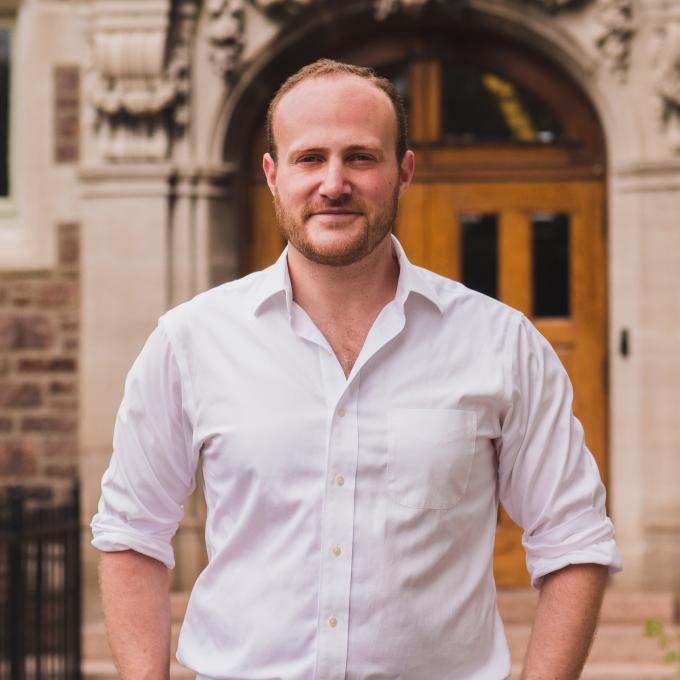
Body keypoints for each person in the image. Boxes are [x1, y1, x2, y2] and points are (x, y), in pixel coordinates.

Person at [92, 59, 622, 680]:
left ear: (404, 172)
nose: (334, 183)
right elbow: (132, 532)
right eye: (310, 158)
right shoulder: (190, 342)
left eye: (361, 158)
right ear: (273, 174)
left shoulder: (501, 344)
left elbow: (574, 538)